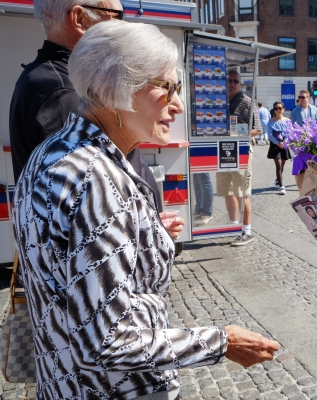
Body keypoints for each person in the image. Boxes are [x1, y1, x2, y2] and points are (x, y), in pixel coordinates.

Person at [12, 20, 279, 400]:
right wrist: (223, 342)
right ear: (115, 89)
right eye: (166, 87)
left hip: (63, 382)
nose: (178, 104)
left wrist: (145, 233)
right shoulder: (94, 176)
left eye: (179, 88)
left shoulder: (55, 150)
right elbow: (107, 341)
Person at [8, 0, 183, 240]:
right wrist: (146, 234)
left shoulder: (44, 77)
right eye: (116, 15)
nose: (124, 25)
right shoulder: (64, 89)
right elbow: (89, 216)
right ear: (80, 19)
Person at [217, 70, 262, 246]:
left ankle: (247, 231)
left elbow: (258, 129)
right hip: (222, 151)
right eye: (229, 80)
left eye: (235, 80)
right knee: (227, 190)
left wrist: (237, 133)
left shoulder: (247, 103)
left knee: (242, 192)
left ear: (240, 84)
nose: (232, 83)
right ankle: (233, 226)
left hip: (241, 151)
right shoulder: (219, 102)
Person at [267, 101, 292, 195]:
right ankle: (281, 186)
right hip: (275, 145)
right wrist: (278, 143)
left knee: (282, 165)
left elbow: (290, 132)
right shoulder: (271, 121)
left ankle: (277, 180)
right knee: (278, 165)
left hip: (285, 144)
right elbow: (269, 135)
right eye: (276, 108)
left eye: (280, 108)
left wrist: (285, 142)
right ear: (274, 110)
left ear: (283, 109)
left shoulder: (288, 120)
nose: (278, 110)